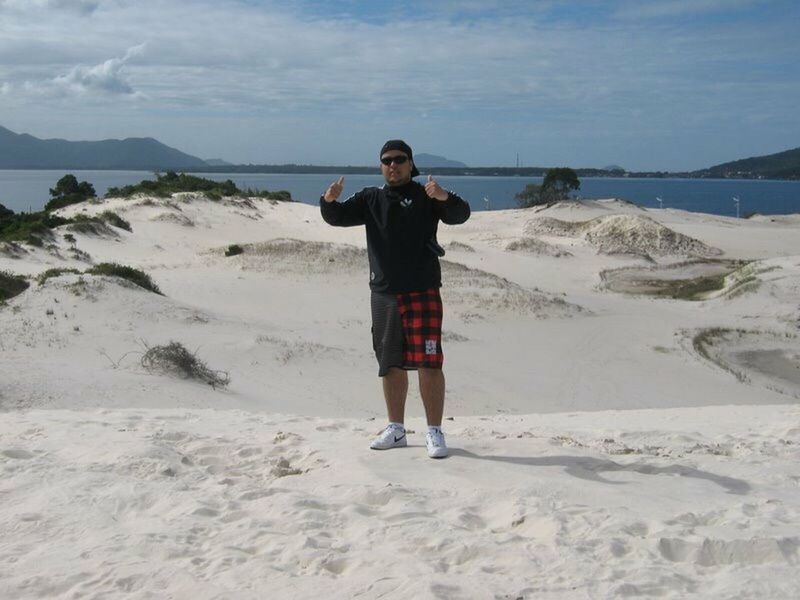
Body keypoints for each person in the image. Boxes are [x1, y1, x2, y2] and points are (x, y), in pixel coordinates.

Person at [320, 140, 471, 458]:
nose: (393, 165)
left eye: (399, 159)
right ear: (380, 166)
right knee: (389, 364)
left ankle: (434, 431)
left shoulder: (426, 196)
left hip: (423, 290)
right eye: (387, 160)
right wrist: (328, 200)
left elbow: (460, 214)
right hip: (384, 293)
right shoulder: (370, 198)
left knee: (430, 362)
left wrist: (443, 196)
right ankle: (397, 429)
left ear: (410, 164)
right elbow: (337, 217)